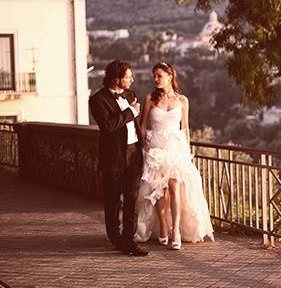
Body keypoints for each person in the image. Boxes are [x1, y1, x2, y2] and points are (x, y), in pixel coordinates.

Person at [135, 61, 214, 249]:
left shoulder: (182, 100)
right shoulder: (150, 99)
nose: (155, 79)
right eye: (154, 76)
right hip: (156, 149)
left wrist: (186, 150)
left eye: (159, 76)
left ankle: (176, 230)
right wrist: (145, 147)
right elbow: (143, 125)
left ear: (170, 76)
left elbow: (185, 128)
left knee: (174, 186)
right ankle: (163, 227)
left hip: (176, 149)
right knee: (158, 189)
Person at [89, 60, 149, 256]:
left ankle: (128, 239)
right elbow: (108, 126)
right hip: (113, 156)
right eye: (128, 77)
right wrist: (130, 111)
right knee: (113, 199)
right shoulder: (97, 100)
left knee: (132, 198)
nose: (132, 79)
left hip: (134, 154)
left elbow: (135, 126)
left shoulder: (131, 95)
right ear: (116, 79)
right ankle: (115, 237)